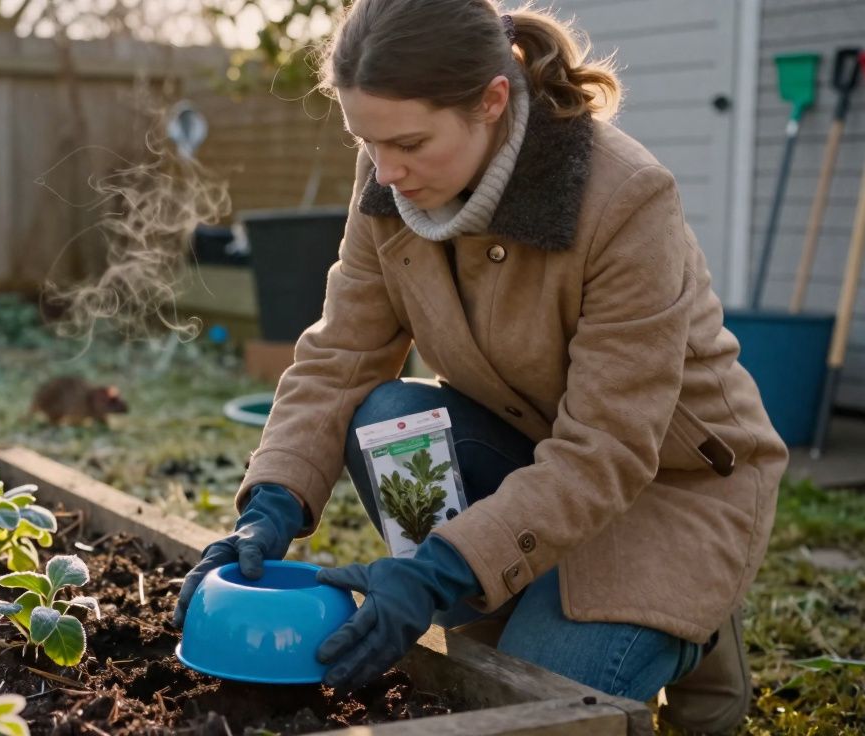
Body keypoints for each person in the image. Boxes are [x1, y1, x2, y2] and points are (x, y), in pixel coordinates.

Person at [173, 0, 788, 731]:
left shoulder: (626, 199)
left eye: (408, 143)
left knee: (528, 711)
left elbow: (609, 448)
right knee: (388, 420)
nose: (387, 172)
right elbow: (340, 355)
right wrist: (270, 504)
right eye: (365, 142)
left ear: (492, 102)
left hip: (664, 486)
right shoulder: (389, 179)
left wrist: (435, 570)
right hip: (531, 459)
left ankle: (693, 612)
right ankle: (511, 592)